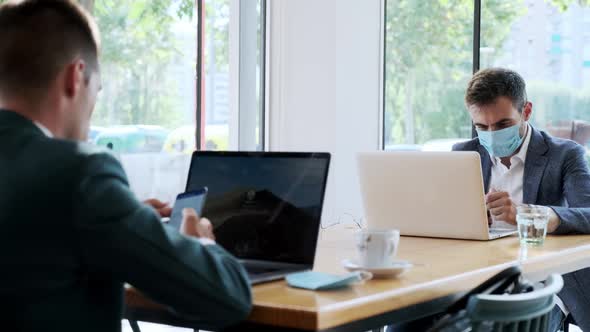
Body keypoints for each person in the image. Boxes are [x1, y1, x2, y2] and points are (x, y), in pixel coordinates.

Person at [0, 1, 251, 331]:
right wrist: (200, 241)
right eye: (97, 90)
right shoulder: (80, 175)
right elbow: (228, 296)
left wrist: (128, 218)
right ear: (76, 78)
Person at [453, 68, 590, 331]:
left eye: (502, 125)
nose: (491, 135)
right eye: (481, 127)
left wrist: (530, 215)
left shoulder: (565, 155)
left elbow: (588, 212)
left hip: (539, 283)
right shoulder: (463, 154)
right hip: (475, 278)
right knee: (407, 321)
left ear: (526, 111)